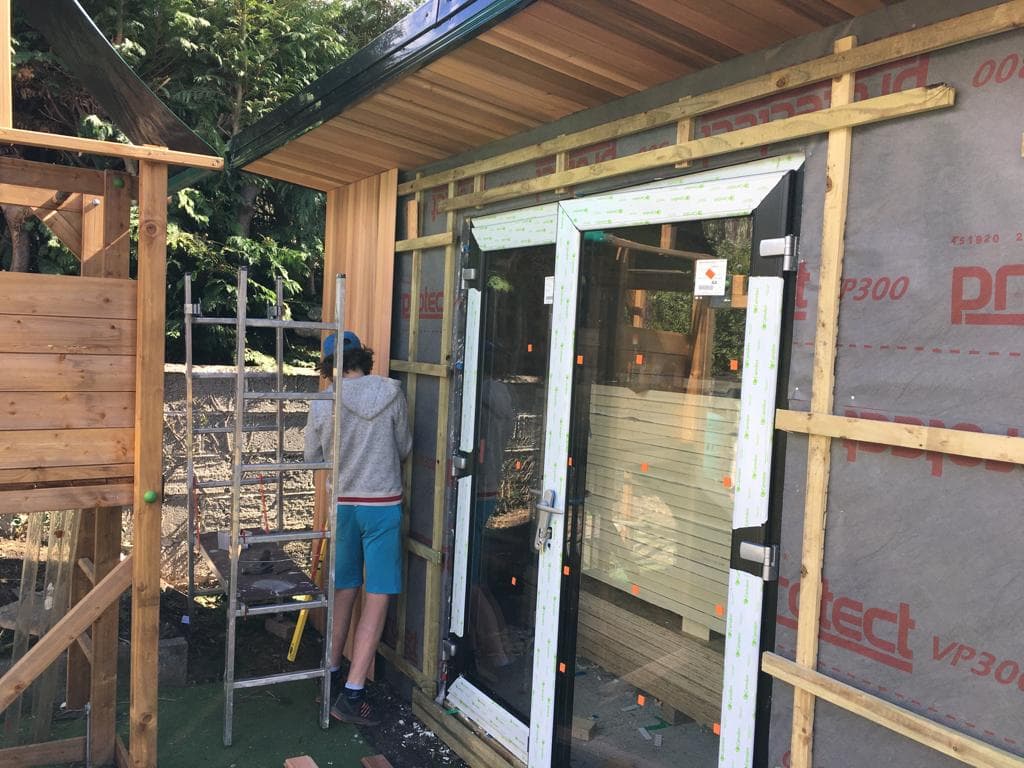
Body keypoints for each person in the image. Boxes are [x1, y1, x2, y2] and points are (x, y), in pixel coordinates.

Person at [304, 330, 412, 726]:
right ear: (362, 358)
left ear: (329, 367)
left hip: (343, 507)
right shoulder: (391, 393)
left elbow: (312, 456)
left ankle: (330, 673)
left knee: (344, 589)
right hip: (382, 505)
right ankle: (352, 694)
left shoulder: (322, 403)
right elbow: (403, 447)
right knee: (378, 596)